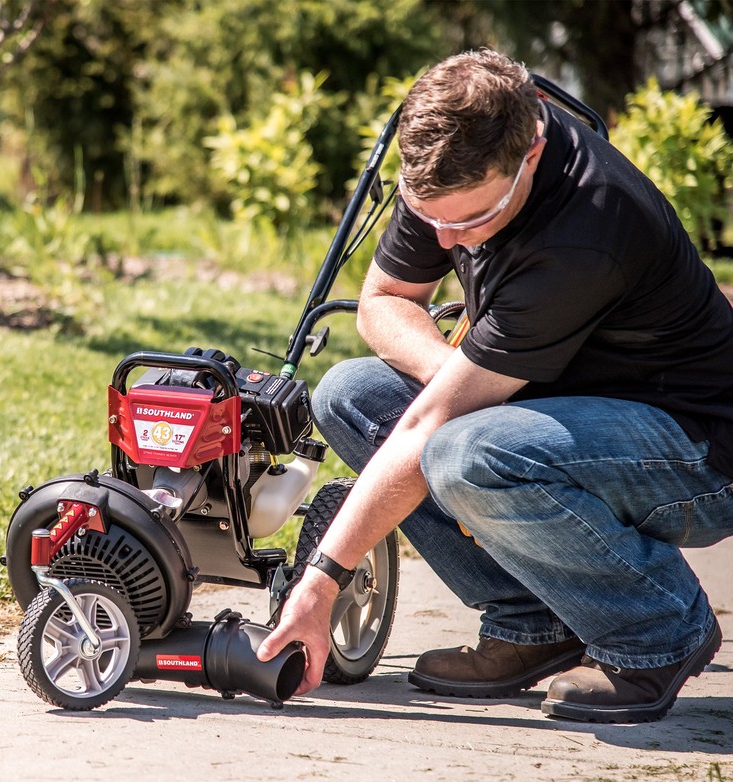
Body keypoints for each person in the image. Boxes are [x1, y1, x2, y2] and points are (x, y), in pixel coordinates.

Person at [257, 49, 733, 723]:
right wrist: (452, 377)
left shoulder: (587, 233)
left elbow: (429, 430)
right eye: (431, 218)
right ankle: (534, 624)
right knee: (351, 394)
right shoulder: (454, 162)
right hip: (563, 412)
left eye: (471, 220)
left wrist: (320, 583)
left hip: (694, 449)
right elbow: (384, 301)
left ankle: (656, 632)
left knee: (466, 454)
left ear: (531, 151)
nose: (449, 238)